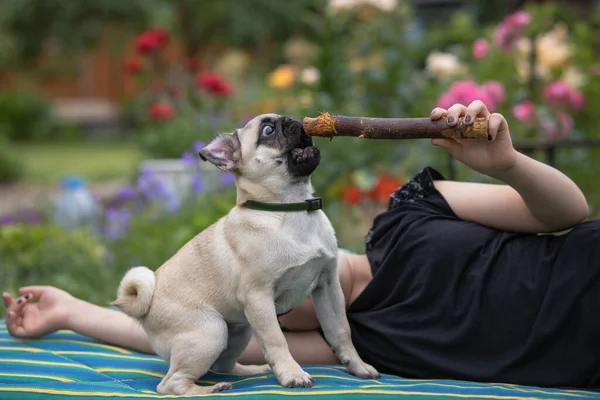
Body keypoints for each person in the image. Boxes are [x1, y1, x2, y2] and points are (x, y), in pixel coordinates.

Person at [3, 101, 599, 390]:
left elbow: (570, 212)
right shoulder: (361, 348)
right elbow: (197, 326)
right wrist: (74, 312)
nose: (283, 309)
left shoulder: (409, 213)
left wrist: (508, 164)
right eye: (278, 317)